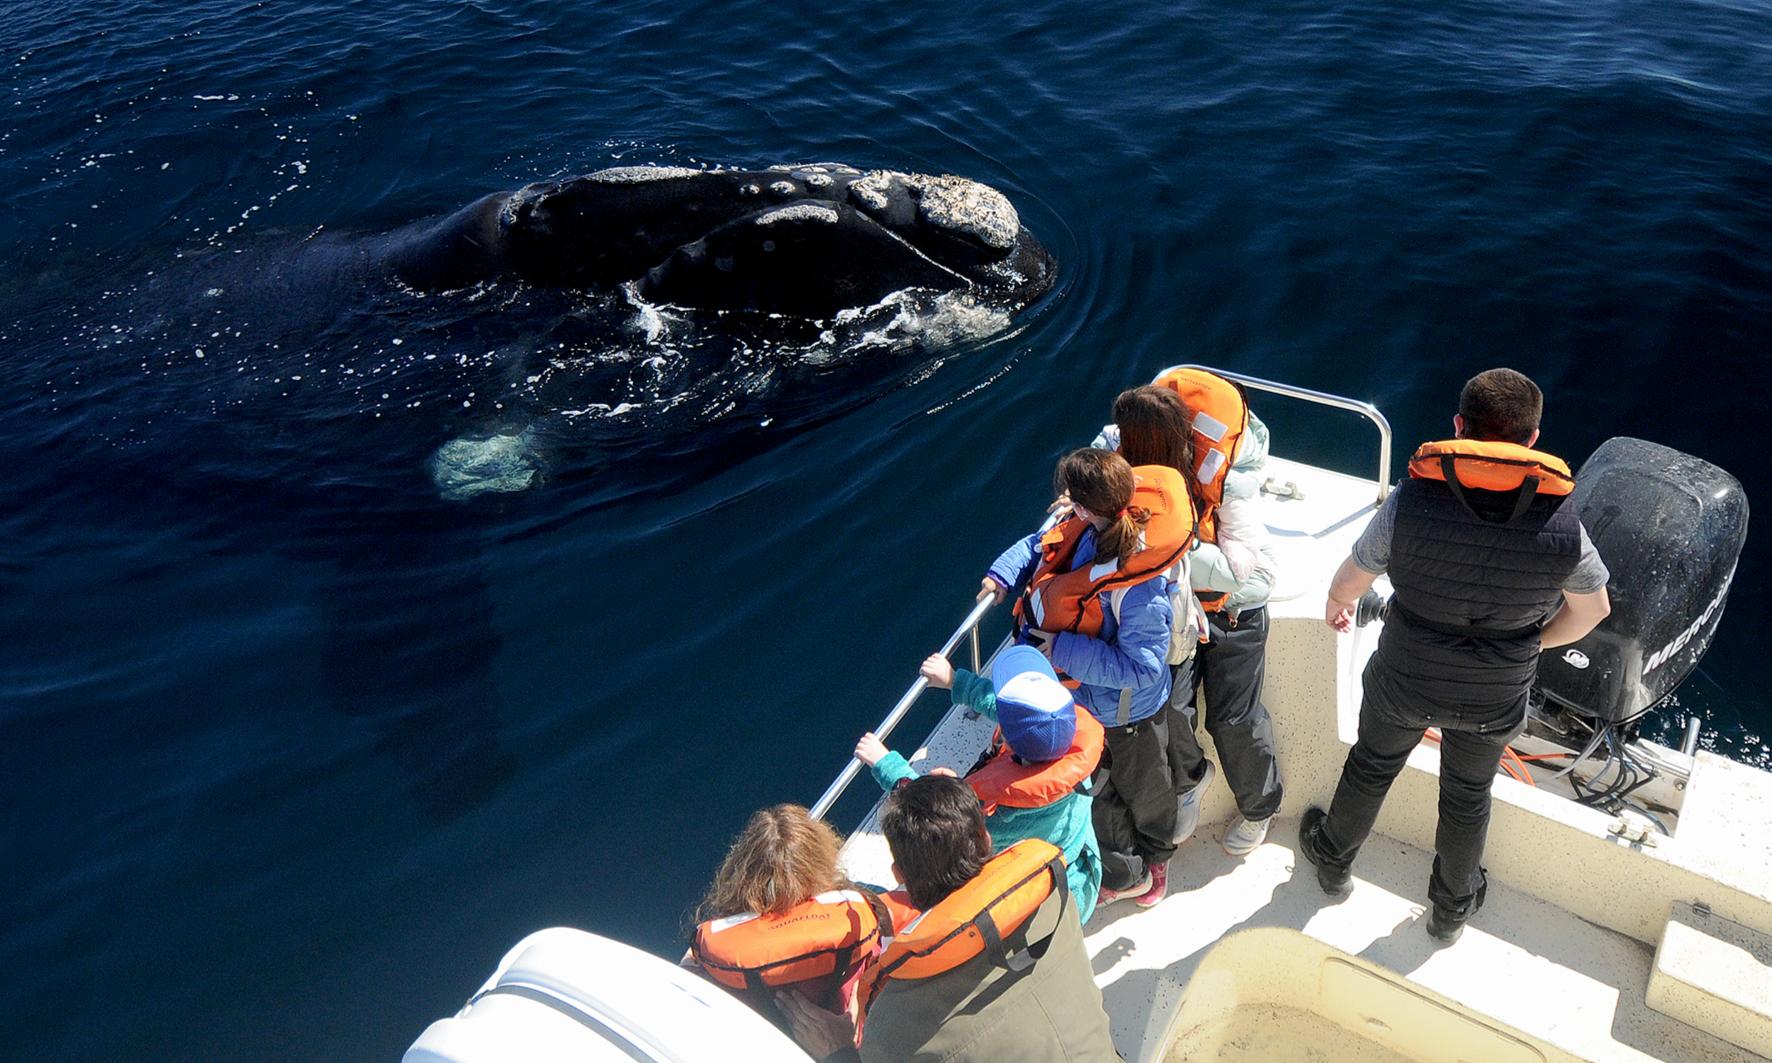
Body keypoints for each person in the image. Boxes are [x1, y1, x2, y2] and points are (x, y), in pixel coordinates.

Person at [1299, 368, 1612, 944]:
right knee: (1468, 797)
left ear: (1459, 427)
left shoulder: (1412, 498)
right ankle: (1450, 910)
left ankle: (1333, 863)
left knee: (1371, 766)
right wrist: (1527, 643)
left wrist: (1337, 603)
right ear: (1533, 439)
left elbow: (1354, 575)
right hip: (1496, 693)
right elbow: (1592, 611)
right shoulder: (1564, 522)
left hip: (1404, 677)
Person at [776, 775, 1118, 1062]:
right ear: (985, 839)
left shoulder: (891, 1024)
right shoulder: (1055, 902)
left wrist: (842, 1053)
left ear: (898, 874)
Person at [984, 448, 1192, 908]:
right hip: (1082, 705)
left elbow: (1143, 668)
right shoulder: (1083, 526)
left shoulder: (1140, 587)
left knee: (1146, 790)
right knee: (1098, 794)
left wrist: (1058, 649)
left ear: (1085, 506)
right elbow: (1039, 545)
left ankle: (1156, 862)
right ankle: (1129, 870)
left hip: (1126, 715)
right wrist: (1001, 575)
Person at [1107, 378, 1286, 857]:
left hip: (1233, 611)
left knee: (1233, 719)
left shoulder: (1225, 481)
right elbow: (1091, 467)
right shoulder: (1120, 457)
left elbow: (1244, 573)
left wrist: (1169, 547)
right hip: (1178, 618)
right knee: (1166, 709)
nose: (1121, 444)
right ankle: (1190, 777)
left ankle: (1259, 807)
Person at [855, 644, 1105, 922]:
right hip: (1078, 879)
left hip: (1042, 907)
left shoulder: (997, 814)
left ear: (1007, 739)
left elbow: (937, 820)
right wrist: (956, 681)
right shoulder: (1072, 753)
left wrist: (887, 765)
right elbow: (1021, 719)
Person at [688, 804, 887, 1038]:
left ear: (741, 872)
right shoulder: (859, 914)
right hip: (843, 1041)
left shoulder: (715, 948)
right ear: (821, 861)